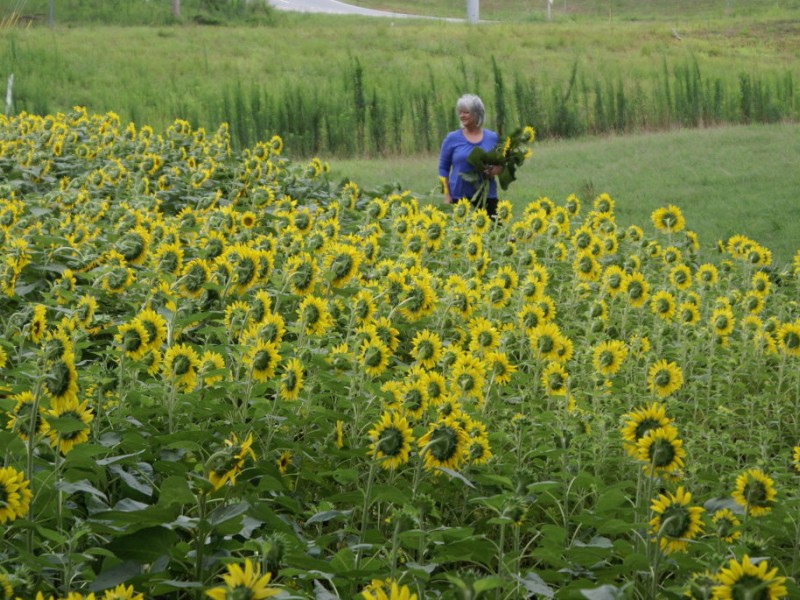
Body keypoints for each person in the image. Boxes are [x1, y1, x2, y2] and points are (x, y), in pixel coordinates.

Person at [438, 94, 503, 217]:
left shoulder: (493, 138)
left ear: (477, 113)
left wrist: (495, 170)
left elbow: (501, 164)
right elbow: (443, 169)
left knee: (492, 227)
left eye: (466, 112)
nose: (461, 115)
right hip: (459, 198)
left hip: (487, 197)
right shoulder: (452, 138)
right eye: (460, 112)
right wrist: (446, 195)